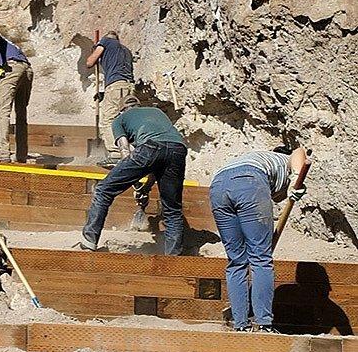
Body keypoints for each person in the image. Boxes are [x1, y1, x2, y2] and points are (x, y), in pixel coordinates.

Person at [210, 147, 307, 333]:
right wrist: (296, 178)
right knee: (260, 258)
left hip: (218, 187)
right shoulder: (283, 159)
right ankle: (264, 324)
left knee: (236, 261)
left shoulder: (253, 160)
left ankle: (240, 325)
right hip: (250, 181)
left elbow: (277, 196)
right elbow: (299, 151)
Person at [81, 95, 187, 255]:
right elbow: (161, 159)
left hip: (149, 148)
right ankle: (173, 259)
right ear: (138, 105)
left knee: (103, 190)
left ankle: (89, 242)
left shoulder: (119, 120)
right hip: (178, 149)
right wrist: (144, 188)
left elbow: (125, 151)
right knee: (172, 209)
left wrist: (134, 182)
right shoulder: (156, 112)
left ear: (121, 111)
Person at [0, 22, 33, 163]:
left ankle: (2, 152)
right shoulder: (8, 46)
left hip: (12, 68)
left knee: (1, 112)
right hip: (27, 68)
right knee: (21, 113)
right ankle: (21, 154)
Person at [86, 31, 135, 160]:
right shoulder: (126, 50)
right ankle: (130, 151)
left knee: (108, 120)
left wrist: (96, 50)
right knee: (125, 120)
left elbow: (90, 62)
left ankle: (115, 153)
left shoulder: (106, 41)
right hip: (129, 87)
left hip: (115, 86)